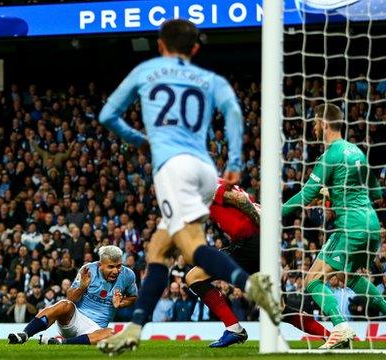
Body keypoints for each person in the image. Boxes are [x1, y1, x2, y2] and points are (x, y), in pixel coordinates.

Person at [96, 18, 280, 355]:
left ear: (160, 46)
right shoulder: (211, 79)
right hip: (205, 167)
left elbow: (108, 116)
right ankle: (135, 328)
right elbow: (234, 114)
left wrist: (139, 142)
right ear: (195, 49)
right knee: (159, 249)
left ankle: (249, 284)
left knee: (192, 247)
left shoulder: (147, 71)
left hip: (174, 166)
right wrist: (236, 162)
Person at [282, 103, 386, 349]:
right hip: (372, 224)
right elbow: (377, 192)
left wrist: (274, 213)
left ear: (324, 124)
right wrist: (334, 192)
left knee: (312, 279)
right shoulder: (357, 151)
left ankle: (340, 327)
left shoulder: (331, 155)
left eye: (316, 123)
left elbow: (306, 196)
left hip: (351, 226)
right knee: (346, 276)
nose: (315, 128)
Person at [185, 178, 330, 348]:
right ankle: (331, 336)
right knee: (277, 306)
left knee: (194, 277)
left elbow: (240, 200)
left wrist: (258, 220)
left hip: (248, 243)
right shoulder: (221, 185)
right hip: (261, 243)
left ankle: (234, 328)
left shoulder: (209, 184)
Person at [7, 245, 137, 346]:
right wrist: (82, 287)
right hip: (75, 319)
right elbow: (71, 298)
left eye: (119, 266)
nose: (116, 271)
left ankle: (60, 343)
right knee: (65, 304)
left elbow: (133, 297)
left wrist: (121, 303)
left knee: (111, 333)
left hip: (96, 329)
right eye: (111, 267)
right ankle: (24, 335)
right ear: (100, 265)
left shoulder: (128, 275)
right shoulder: (88, 270)